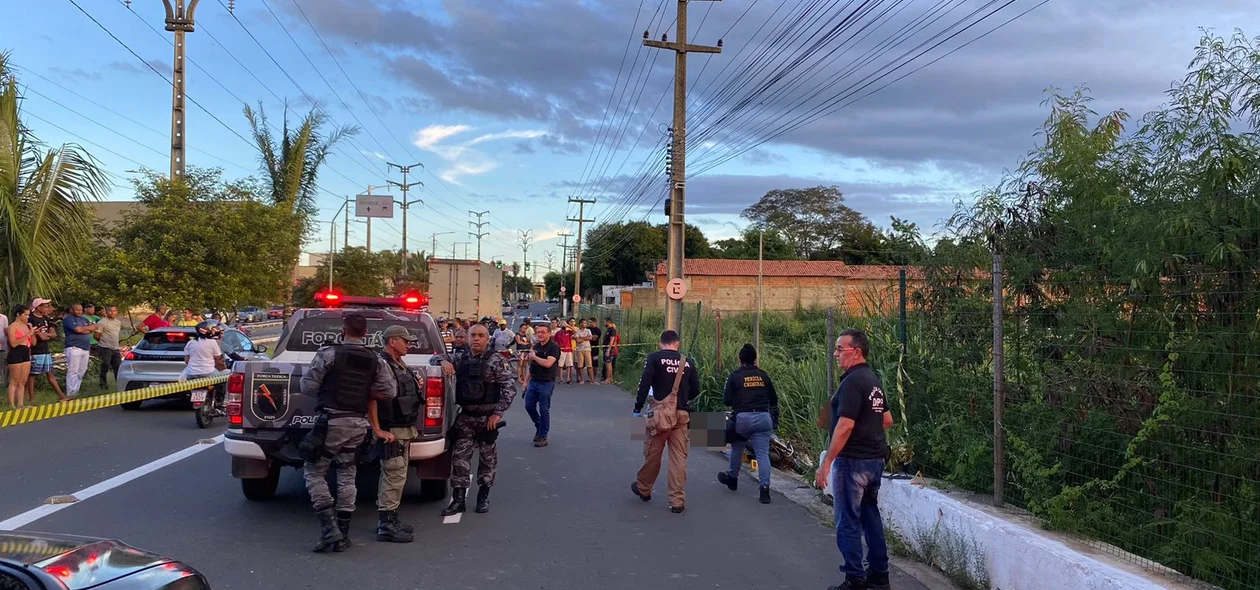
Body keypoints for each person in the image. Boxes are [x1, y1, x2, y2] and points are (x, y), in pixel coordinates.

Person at [299, 313, 397, 553]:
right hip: (358, 424)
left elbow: (307, 386)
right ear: (366, 334)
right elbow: (390, 391)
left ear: (342, 331)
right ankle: (342, 534)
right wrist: (365, 394)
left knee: (314, 472)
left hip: (331, 421)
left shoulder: (329, 353)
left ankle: (329, 529)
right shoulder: (375, 359)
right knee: (347, 473)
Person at [815, 329, 894, 590]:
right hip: (875, 460)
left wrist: (827, 463)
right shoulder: (873, 381)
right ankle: (879, 576)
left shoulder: (851, 382)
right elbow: (886, 419)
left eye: (840, 348)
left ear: (856, 351)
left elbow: (845, 425)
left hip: (853, 462)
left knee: (847, 520)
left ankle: (855, 578)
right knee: (870, 516)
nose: (835, 353)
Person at [434, 324, 517, 515]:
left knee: (487, 460)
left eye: (481, 336)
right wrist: (443, 362)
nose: (476, 339)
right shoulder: (461, 357)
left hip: (487, 419)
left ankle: (483, 497)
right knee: (460, 460)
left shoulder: (495, 360)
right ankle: (458, 500)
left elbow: (509, 388)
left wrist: (497, 414)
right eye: (473, 335)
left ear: (488, 339)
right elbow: (436, 356)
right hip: (466, 417)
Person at [631, 330, 700, 514]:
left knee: (653, 454)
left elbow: (644, 385)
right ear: (677, 343)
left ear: (661, 343)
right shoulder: (688, 362)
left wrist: (637, 409)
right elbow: (696, 390)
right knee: (679, 459)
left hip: (659, 417)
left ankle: (644, 489)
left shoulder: (654, 358)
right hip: (681, 416)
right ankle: (677, 501)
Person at [367, 325, 424, 544]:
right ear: (392, 341)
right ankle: (386, 524)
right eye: (405, 341)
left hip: (402, 428)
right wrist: (377, 429)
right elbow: (372, 397)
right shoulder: (383, 365)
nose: (408, 344)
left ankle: (392, 518)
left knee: (398, 476)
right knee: (394, 475)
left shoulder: (398, 364)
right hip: (392, 429)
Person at [718, 344, 780, 504]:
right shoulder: (764, 376)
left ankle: (732, 478)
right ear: (755, 360)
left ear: (740, 360)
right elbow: (774, 399)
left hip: (743, 419)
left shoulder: (734, 376)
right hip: (763, 418)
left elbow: (727, 400)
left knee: (737, 445)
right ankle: (764, 490)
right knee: (762, 454)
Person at [523, 324, 560, 447]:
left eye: (543, 332)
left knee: (544, 409)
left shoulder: (553, 347)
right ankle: (539, 426)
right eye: (538, 332)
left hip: (546, 382)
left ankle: (543, 435)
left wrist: (534, 357)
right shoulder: (536, 346)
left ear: (549, 334)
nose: (540, 334)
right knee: (529, 406)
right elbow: (531, 366)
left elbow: (548, 363)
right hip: (534, 381)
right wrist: (525, 381)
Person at [28, 298, 65, 403]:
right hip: (36, 350)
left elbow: (53, 334)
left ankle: (61, 396)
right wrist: (45, 335)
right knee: (33, 375)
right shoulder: (31, 319)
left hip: (45, 350)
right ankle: (31, 398)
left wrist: (46, 335)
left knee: (50, 373)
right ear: (38, 307)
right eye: (45, 306)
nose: (47, 308)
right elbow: (41, 337)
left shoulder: (45, 319)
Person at [61, 303, 96, 398]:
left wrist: (83, 329)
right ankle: (71, 393)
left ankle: (76, 390)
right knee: (73, 370)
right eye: (77, 309)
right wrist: (84, 329)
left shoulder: (84, 319)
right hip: (74, 347)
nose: (79, 311)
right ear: (71, 310)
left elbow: (93, 328)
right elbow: (78, 330)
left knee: (82, 370)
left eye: (80, 310)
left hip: (85, 348)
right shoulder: (69, 319)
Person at [6, 305, 34, 409]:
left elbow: (32, 342)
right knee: (15, 380)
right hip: (16, 352)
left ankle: (20, 404)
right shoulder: (12, 327)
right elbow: (13, 343)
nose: (27, 317)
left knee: (23, 380)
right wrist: (27, 335)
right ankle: (11, 405)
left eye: (28, 315)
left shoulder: (25, 326)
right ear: (18, 314)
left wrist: (31, 331)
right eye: (25, 315)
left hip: (26, 351)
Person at [96, 305, 123, 389]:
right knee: (105, 366)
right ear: (106, 312)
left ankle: (119, 386)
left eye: (114, 311)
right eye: (110, 311)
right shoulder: (102, 322)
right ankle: (103, 385)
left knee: (118, 367)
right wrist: (104, 342)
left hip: (116, 348)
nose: (112, 313)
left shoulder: (118, 322)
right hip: (105, 348)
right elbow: (96, 335)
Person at [574, 319, 594, 384]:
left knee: (589, 365)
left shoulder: (588, 330)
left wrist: (581, 338)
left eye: (585, 323)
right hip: (580, 350)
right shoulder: (577, 331)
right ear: (580, 324)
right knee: (580, 365)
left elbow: (590, 338)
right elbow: (577, 340)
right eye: (583, 323)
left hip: (587, 349)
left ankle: (592, 380)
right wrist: (585, 338)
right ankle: (581, 379)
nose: (585, 324)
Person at [602, 320, 620, 384]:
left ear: (608, 322)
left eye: (604, 322)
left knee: (608, 363)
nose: (604, 323)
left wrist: (608, 349)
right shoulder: (608, 330)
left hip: (609, 349)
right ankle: (611, 378)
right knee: (607, 363)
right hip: (606, 348)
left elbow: (611, 340)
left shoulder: (612, 330)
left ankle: (608, 378)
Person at [587, 317, 602, 382]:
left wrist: (588, 337)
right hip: (588, 348)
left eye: (591, 322)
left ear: (594, 322)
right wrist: (588, 337)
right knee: (588, 362)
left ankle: (594, 376)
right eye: (589, 322)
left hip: (595, 348)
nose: (589, 323)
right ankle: (589, 376)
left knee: (595, 363)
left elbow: (594, 338)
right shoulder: (588, 329)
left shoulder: (598, 330)